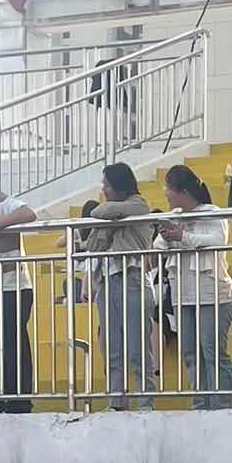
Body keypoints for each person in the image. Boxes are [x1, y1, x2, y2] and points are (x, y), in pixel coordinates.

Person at [155, 165, 232, 410]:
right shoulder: (174, 215)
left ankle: (223, 407)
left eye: (169, 188)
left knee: (213, 352)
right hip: (182, 295)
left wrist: (183, 237)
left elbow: (218, 240)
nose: (166, 193)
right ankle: (200, 406)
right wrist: (167, 236)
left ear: (184, 191)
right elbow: (158, 247)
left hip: (212, 294)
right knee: (190, 353)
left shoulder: (212, 213)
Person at [83, 162, 155, 411]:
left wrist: (106, 220)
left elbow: (99, 211)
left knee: (138, 347)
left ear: (119, 185)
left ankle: (146, 403)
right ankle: (117, 402)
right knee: (112, 346)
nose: (103, 190)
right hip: (107, 282)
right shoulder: (109, 213)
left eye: (107, 185)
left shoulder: (138, 204)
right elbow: (93, 245)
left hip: (132, 279)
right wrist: (108, 224)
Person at [0, 154, 36, 414]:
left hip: (10, 286)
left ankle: (19, 400)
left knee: (12, 342)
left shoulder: (3, 202)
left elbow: (29, 213)